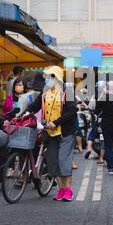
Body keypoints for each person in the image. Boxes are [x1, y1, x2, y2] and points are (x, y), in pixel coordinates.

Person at [27, 66, 77, 201]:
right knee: (53, 162)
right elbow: (33, 107)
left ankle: (68, 190)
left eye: (51, 76)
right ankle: (61, 189)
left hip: (65, 132)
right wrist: (23, 113)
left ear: (58, 77)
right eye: (47, 77)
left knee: (63, 160)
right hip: (50, 132)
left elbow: (72, 110)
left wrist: (57, 122)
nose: (48, 79)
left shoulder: (67, 91)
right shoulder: (45, 93)